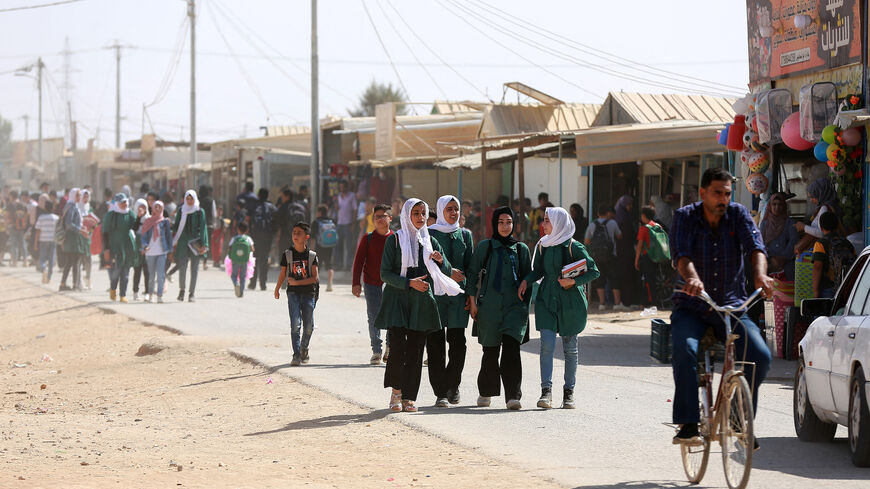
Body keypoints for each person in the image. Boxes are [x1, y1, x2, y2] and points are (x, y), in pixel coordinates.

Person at [669, 167, 773, 446]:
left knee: (760, 356)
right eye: (717, 193)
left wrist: (760, 275)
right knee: (684, 349)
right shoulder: (685, 217)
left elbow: (756, 248)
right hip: (693, 304)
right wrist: (692, 277)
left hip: (732, 306)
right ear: (702, 192)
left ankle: (739, 418)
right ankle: (689, 423)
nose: (723, 199)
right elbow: (681, 254)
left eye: (727, 193)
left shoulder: (738, 214)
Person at [375, 198, 462, 412]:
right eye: (416, 213)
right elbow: (384, 273)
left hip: (421, 301)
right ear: (407, 215)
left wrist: (441, 260)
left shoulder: (429, 240)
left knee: (415, 351)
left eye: (423, 213)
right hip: (399, 299)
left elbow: (447, 268)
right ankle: (396, 392)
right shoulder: (394, 240)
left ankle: (409, 397)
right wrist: (408, 283)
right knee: (397, 350)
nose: (421, 218)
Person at [519, 207, 600, 410]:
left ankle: (568, 393)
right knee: (546, 345)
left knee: (570, 349)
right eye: (544, 220)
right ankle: (546, 392)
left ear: (559, 223)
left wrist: (573, 282)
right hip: (546, 300)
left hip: (570, 303)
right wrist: (525, 282)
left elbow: (594, 271)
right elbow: (537, 270)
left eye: (547, 220)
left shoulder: (574, 247)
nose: (543, 224)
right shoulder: (542, 245)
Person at [466, 206, 531, 409]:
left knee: (512, 350)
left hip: (514, 308)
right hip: (489, 308)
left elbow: (529, 275)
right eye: (501, 222)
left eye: (509, 222)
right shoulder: (486, 247)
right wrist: (473, 301)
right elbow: (472, 273)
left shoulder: (521, 249)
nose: (505, 226)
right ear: (495, 224)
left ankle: (513, 396)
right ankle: (486, 392)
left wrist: (525, 285)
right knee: (491, 351)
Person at [426, 196, 474, 407]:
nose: (453, 213)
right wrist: (448, 271)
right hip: (436, 297)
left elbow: (472, 268)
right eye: (449, 209)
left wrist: (472, 297)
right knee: (435, 345)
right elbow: (426, 264)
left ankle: (453, 386)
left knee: (457, 344)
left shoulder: (465, 235)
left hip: (458, 298)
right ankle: (440, 392)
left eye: (456, 209)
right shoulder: (429, 233)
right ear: (440, 210)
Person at [352, 203, 393, 364]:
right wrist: (356, 283)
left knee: (392, 317)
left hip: (391, 284)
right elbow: (359, 262)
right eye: (377, 217)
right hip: (371, 284)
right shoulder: (367, 238)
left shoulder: (396, 238)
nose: (380, 219)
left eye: (383, 216)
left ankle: (390, 347)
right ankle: (376, 350)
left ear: (390, 218)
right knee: (373, 316)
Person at [274, 222, 319, 366]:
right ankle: (296, 354)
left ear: (306, 237)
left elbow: (314, 278)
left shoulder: (312, 256)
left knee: (309, 326)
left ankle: (304, 348)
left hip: (308, 294)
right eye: (294, 232)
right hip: (293, 294)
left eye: (299, 233)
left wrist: (296, 282)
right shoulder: (287, 255)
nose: (295, 235)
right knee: (295, 324)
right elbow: (282, 274)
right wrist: (277, 288)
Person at [585, 204, 626, 311]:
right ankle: (617, 304)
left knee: (600, 279)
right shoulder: (612, 222)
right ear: (607, 213)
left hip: (597, 256)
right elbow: (620, 236)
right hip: (611, 255)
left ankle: (602, 304)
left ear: (598, 213)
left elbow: (587, 241)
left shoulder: (592, 224)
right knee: (614, 278)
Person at [172, 189, 209, 302]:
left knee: (194, 268)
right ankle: (182, 290)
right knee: (182, 266)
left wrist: (204, 244)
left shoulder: (199, 211)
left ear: (195, 198)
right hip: (183, 242)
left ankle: (192, 293)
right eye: (187, 199)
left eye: (191, 199)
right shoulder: (181, 210)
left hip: (195, 242)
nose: (189, 201)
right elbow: (176, 226)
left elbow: (203, 228)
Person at [102, 194, 137, 303]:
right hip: (115, 247)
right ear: (117, 204)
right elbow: (105, 232)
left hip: (127, 246)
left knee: (126, 273)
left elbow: (136, 227)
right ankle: (113, 288)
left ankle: (123, 295)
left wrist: (140, 217)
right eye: (122, 202)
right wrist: (107, 248)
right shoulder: (110, 216)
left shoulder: (130, 214)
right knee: (116, 271)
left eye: (125, 202)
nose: (125, 204)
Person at [812, 212, 855, 299]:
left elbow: (817, 267)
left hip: (827, 288)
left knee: (828, 312)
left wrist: (815, 290)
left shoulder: (820, 244)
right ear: (837, 226)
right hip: (846, 287)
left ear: (821, 227)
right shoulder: (847, 243)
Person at [795, 177, 840, 254]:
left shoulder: (825, 208)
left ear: (821, 193)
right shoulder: (828, 206)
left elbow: (823, 233)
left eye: (813, 197)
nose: (811, 200)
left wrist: (804, 227)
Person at [760, 192, 799, 278]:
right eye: (774, 204)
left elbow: (793, 242)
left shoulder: (790, 223)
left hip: (787, 262)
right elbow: (761, 244)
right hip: (770, 263)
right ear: (770, 206)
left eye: (780, 204)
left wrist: (782, 258)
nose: (777, 207)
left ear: (784, 206)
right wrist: (771, 260)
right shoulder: (765, 224)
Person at [140, 200, 171, 303]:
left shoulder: (165, 221)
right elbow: (144, 236)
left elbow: (168, 237)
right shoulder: (148, 221)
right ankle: (150, 294)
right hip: (150, 252)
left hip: (162, 251)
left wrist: (170, 250)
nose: (157, 209)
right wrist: (145, 246)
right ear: (152, 208)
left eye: (159, 207)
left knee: (161, 274)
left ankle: (159, 295)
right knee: (151, 275)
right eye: (155, 207)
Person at [635, 206, 666, 307]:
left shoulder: (644, 228)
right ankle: (648, 302)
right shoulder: (658, 226)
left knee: (648, 280)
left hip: (647, 257)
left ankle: (651, 303)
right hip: (658, 256)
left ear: (644, 216)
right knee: (653, 279)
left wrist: (636, 259)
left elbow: (640, 246)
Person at [59, 189, 89, 291]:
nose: (79, 197)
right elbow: (69, 224)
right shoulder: (71, 207)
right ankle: (75, 285)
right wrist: (80, 230)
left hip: (72, 237)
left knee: (70, 262)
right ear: (72, 196)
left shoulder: (72, 206)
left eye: (80, 195)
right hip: (73, 237)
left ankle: (63, 284)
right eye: (77, 195)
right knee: (76, 261)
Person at [249, 188, 277, 291]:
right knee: (264, 259)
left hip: (255, 236)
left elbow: (248, 219)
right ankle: (263, 283)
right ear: (267, 195)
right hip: (267, 237)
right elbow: (276, 222)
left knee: (254, 258)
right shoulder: (272, 207)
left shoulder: (253, 206)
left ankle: (252, 283)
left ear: (258, 195)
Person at [614, 195, 637, 307]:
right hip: (624, 253)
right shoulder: (624, 220)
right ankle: (626, 301)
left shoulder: (619, 218)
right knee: (626, 276)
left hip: (622, 253)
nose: (630, 207)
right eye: (628, 204)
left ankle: (626, 301)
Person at [311, 204, 336, 292]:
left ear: (320, 212)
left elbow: (313, 237)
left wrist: (311, 249)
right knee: (330, 265)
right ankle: (330, 284)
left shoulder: (316, 222)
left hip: (319, 247)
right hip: (330, 246)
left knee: (316, 266)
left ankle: (316, 284)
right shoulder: (332, 221)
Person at [131, 199, 152, 301]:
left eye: (144, 207)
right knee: (137, 270)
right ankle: (135, 292)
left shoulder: (149, 219)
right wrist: (138, 217)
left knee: (147, 271)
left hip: (147, 247)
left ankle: (147, 292)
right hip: (137, 247)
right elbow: (133, 229)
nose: (142, 209)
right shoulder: (134, 218)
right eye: (140, 207)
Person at [34, 201, 58, 283]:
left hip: (43, 240)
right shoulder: (56, 218)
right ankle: (49, 277)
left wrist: (35, 243)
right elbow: (58, 231)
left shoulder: (41, 217)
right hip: (53, 240)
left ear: (45, 208)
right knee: (51, 259)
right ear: (53, 208)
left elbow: (38, 231)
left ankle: (44, 269)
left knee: (42, 258)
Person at [228, 222, 254, 297]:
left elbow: (229, 247)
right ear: (246, 230)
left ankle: (236, 283)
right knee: (243, 277)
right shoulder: (248, 238)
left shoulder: (234, 238)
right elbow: (252, 249)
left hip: (235, 260)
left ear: (238, 229)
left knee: (234, 275)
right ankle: (241, 292)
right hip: (244, 260)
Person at [336, 180, 358, 270]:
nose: (342, 188)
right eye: (340, 187)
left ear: (346, 187)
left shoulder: (352, 196)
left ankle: (348, 265)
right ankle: (339, 264)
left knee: (349, 246)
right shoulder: (338, 196)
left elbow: (355, 210)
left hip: (348, 223)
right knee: (338, 245)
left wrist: (353, 223)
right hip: (339, 223)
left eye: (343, 187)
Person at [199, 185, 216, 270]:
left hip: (198, 225)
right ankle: (205, 262)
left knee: (198, 242)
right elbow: (214, 214)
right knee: (206, 243)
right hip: (208, 225)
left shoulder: (197, 200)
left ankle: (197, 259)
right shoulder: (211, 201)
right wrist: (214, 224)